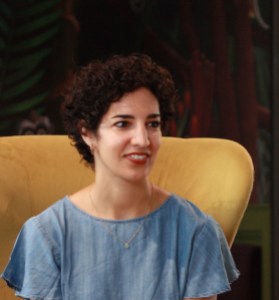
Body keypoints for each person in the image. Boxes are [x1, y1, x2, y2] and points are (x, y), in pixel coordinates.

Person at [1, 53, 239, 299]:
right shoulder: (46, 235)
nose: (142, 140)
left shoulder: (196, 231)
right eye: (123, 124)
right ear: (88, 133)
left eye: (152, 124)